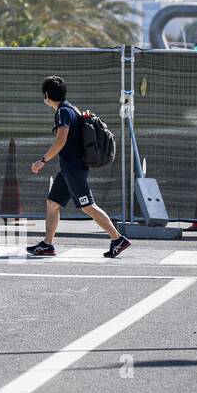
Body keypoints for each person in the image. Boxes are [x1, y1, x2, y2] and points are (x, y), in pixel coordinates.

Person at [28, 75, 131, 259]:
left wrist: (42, 161)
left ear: (46, 95)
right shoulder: (70, 108)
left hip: (74, 169)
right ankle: (47, 245)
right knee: (52, 203)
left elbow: (61, 141)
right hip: (68, 169)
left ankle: (117, 239)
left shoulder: (63, 112)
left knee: (87, 206)